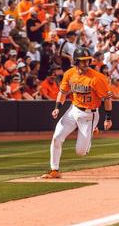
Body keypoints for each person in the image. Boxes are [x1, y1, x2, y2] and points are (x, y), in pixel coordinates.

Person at [41, 47, 112, 179]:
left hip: (89, 115)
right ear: (76, 61)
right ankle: (54, 170)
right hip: (73, 110)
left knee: (80, 152)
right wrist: (57, 107)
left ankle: (92, 130)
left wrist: (108, 118)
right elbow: (62, 92)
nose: (86, 63)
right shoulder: (69, 74)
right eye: (83, 61)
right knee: (57, 137)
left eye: (88, 60)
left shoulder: (97, 78)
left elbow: (107, 98)